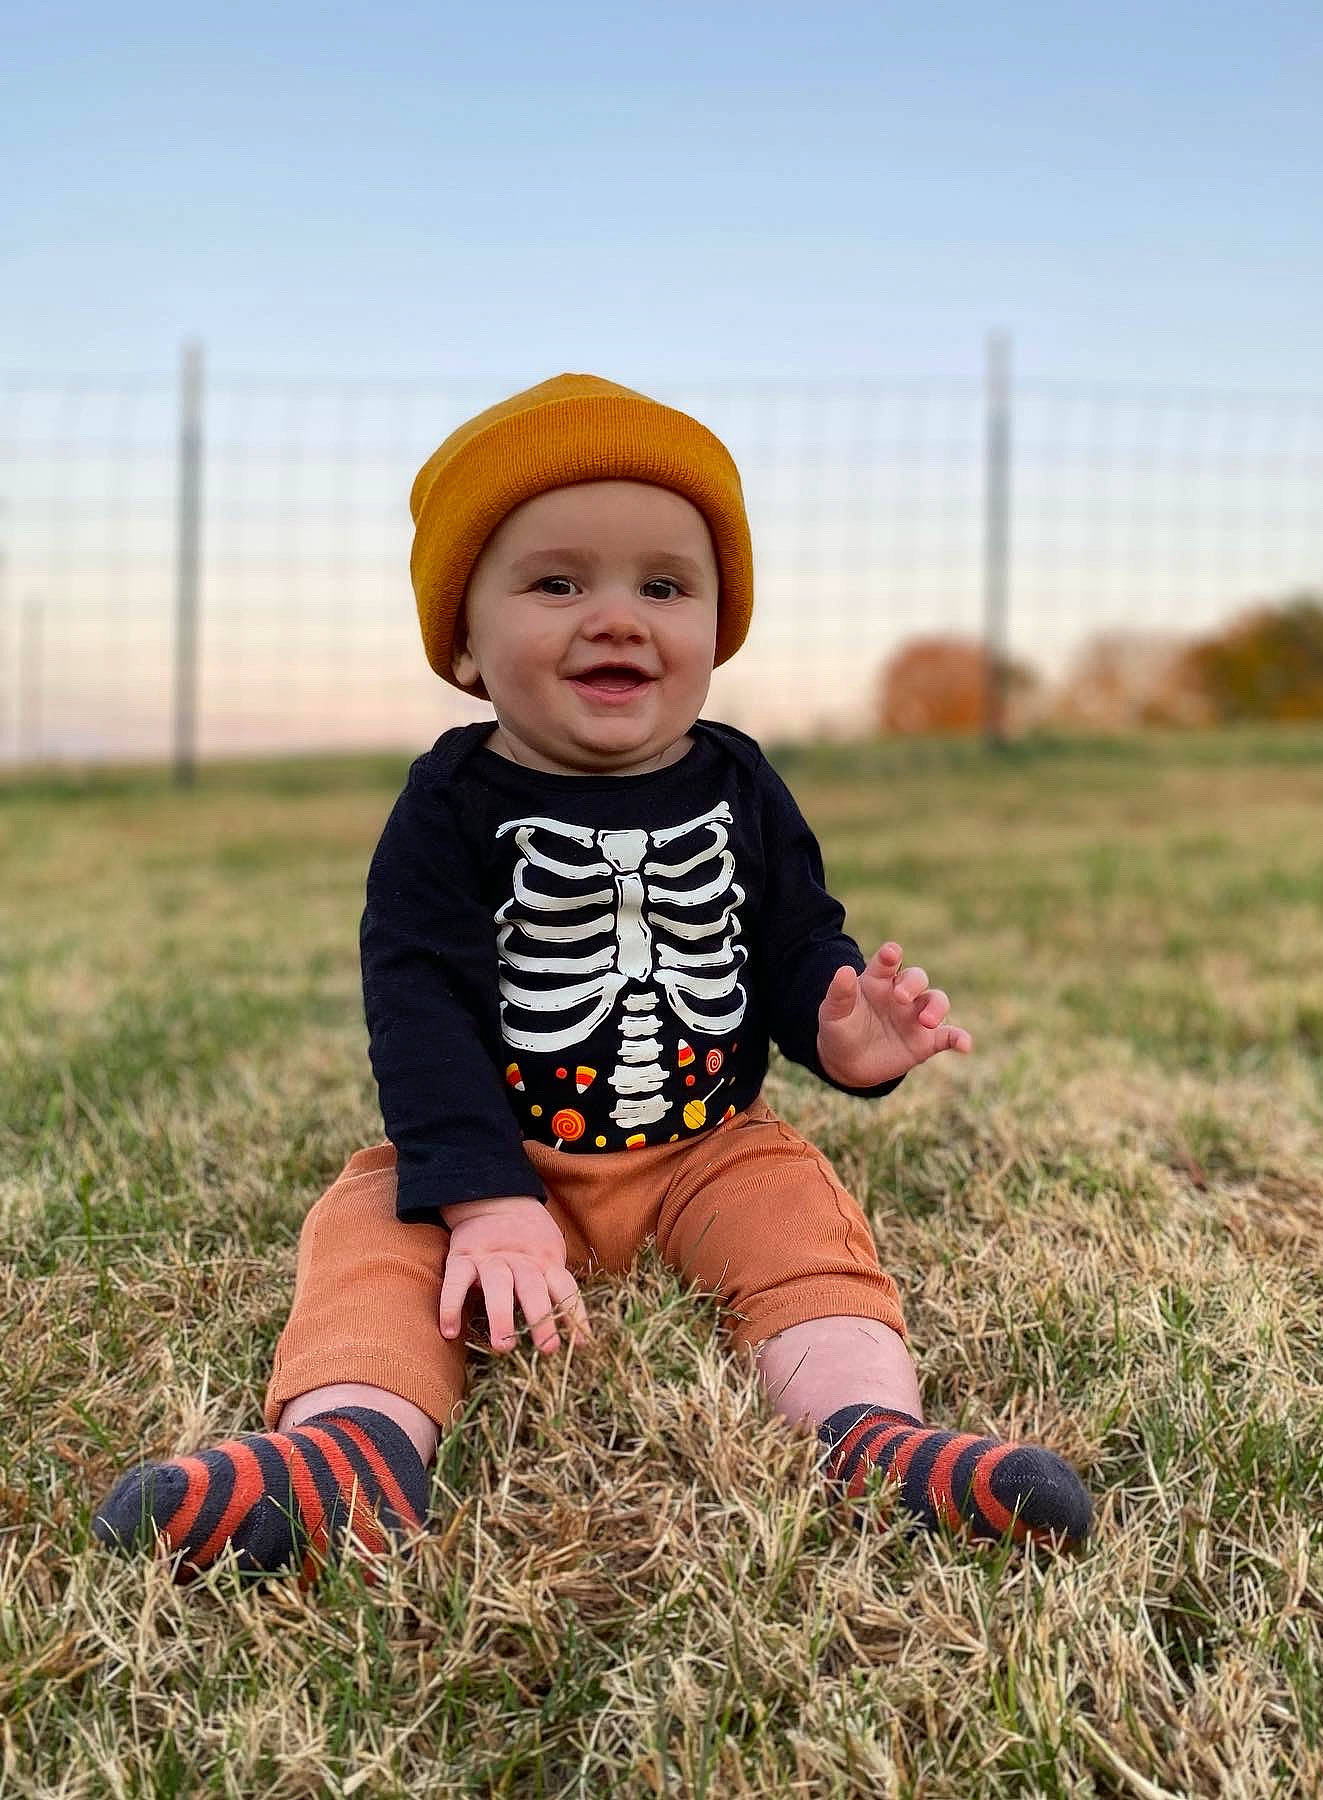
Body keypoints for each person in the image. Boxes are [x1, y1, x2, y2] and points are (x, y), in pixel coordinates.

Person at [94, 374, 1092, 1582]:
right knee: (371, 1226)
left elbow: (792, 945)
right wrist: (481, 1197)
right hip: (504, 1164)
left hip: (705, 1150)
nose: (617, 617)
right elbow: (416, 1007)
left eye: (664, 586)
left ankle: (870, 1435)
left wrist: (841, 1028)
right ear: (463, 638)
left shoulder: (743, 781)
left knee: (800, 1224)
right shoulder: (449, 805)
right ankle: (349, 1447)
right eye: (557, 582)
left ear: (717, 626)